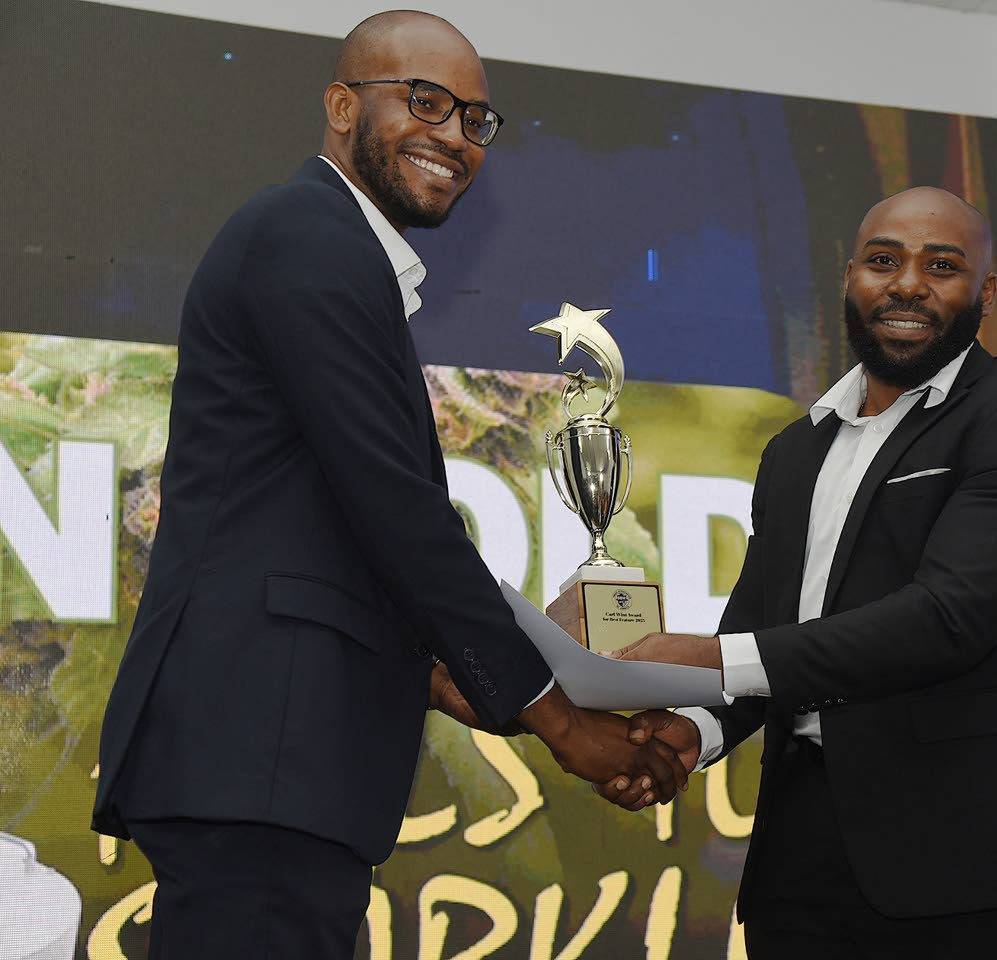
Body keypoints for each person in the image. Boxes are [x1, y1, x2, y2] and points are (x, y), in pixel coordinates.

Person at [91, 11, 683, 958]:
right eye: (425, 101)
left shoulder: (330, 252)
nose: (454, 134)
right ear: (340, 105)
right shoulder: (307, 236)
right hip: (262, 769)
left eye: (476, 120)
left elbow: (345, 530)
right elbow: (400, 515)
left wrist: (452, 669)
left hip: (276, 778)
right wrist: (564, 724)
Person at [596, 186, 997, 959]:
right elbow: (763, 629)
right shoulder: (795, 449)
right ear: (849, 274)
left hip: (966, 860)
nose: (907, 284)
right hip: (801, 858)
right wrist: (692, 734)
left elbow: (947, 620)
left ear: (984, 294)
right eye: (884, 261)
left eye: (943, 266)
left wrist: (703, 658)